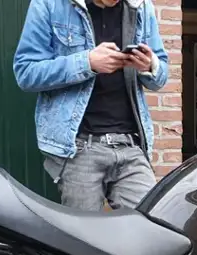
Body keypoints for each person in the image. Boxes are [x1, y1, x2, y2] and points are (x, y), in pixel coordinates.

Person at [13, 0, 169, 211]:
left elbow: (160, 77)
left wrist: (150, 65)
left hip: (131, 144)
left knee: (150, 229)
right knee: (82, 239)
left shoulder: (141, 6)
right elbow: (26, 72)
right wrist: (87, 63)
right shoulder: (49, 4)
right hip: (79, 148)